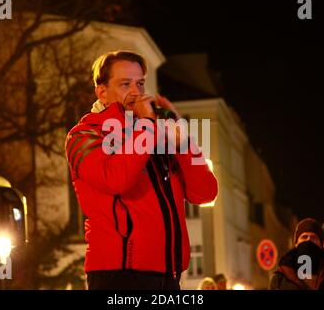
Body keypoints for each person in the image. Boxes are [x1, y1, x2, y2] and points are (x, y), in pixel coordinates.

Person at [65, 50, 218, 290]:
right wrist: (147, 126)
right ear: (101, 92)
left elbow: (205, 193)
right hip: (119, 275)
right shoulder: (84, 134)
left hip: (169, 274)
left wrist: (185, 144)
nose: (136, 92)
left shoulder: (155, 134)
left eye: (140, 83)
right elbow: (116, 180)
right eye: (125, 84)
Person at [270, 218, 324, 290]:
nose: (308, 240)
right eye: (304, 237)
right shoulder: (281, 277)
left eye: (313, 237)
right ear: (296, 244)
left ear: (321, 244)